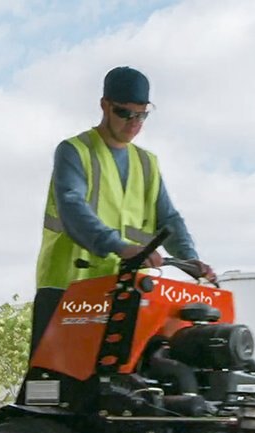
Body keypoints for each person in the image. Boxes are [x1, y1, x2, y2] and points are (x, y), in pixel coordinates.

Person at [29, 65, 215, 353]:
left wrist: (191, 261)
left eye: (141, 115)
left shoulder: (146, 164)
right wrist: (120, 246)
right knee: (55, 386)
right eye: (124, 113)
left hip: (121, 293)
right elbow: (73, 207)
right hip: (68, 290)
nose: (133, 122)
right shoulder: (75, 152)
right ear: (104, 105)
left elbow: (169, 219)